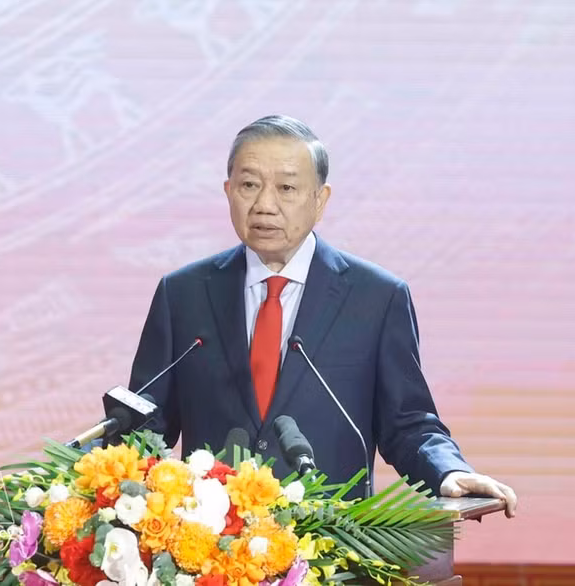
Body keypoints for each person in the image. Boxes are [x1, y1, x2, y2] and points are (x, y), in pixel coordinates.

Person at [128, 115, 517, 516]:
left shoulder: (376, 298)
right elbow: (143, 427)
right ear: (228, 192)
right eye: (249, 185)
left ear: (320, 199)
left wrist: (446, 471)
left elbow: (408, 423)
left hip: (332, 551)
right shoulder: (183, 293)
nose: (264, 204)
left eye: (287, 188)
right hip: (212, 554)